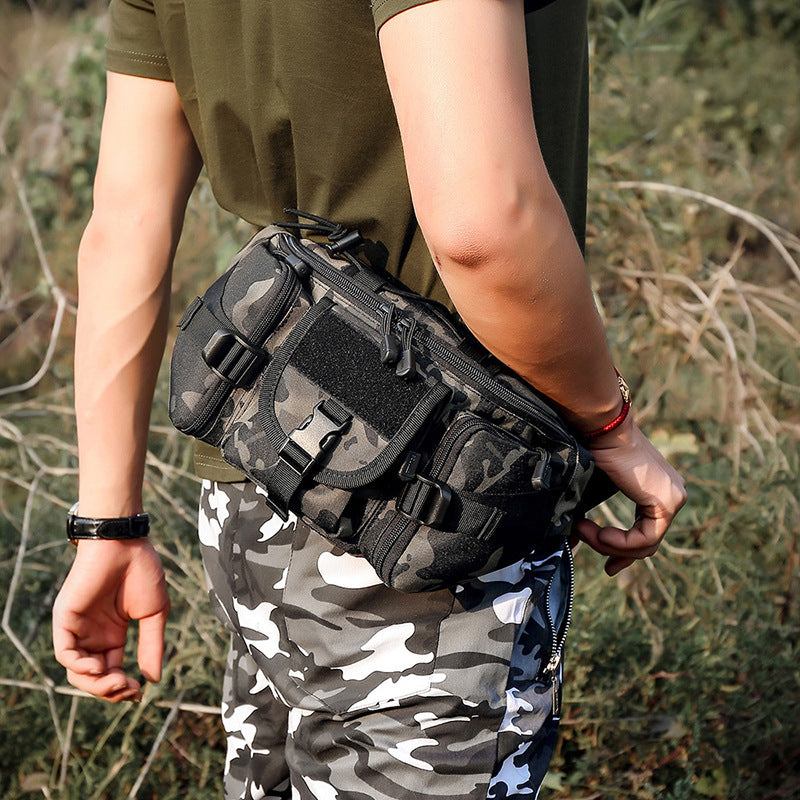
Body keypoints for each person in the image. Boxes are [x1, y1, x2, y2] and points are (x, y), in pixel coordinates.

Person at [52, 0, 687, 797]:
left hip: (253, 479)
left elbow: (125, 224)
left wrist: (107, 523)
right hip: (435, 508)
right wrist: (609, 426)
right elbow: (481, 227)